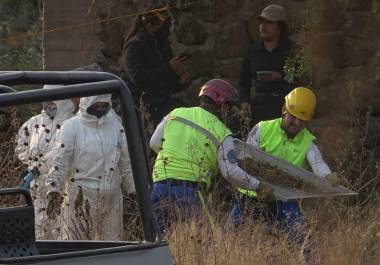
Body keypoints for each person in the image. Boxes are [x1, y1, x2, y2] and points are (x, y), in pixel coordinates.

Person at [230, 87, 340, 262]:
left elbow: (318, 165)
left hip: (283, 199)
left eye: (302, 121)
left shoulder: (309, 143)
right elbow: (245, 157)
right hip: (251, 195)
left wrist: (327, 177)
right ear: (284, 110)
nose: (296, 123)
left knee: (304, 242)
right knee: (228, 239)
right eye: (293, 116)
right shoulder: (262, 128)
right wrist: (257, 186)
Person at [149, 79, 272, 232]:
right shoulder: (222, 132)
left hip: (159, 186)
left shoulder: (175, 113)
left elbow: (153, 143)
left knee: (158, 243)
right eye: (229, 107)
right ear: (222, 105)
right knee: (207, 244)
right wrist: (258, 186)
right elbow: (230, 171)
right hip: (190, 191)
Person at [45, 94, 135, 241]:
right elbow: (60, 161)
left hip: (112, 198)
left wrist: (133, 190)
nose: (100, 110)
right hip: (80, 197)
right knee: (76, 246)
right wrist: (54, 190)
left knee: (113, 247)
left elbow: (125, 162)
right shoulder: (71, 126)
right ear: (87, 103)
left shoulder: (115, 125)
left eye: (104, 106)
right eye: (96, 106)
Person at [15, 85, 77, 240]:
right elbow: (20, 143)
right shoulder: (35, 122)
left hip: (60, 185)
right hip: (35, 184)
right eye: (46, 102)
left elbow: (61, 152)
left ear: (61, 101)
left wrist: (38, 167)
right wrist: (30, 161)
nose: (49, 106)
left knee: (59, 226)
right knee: (38, 226)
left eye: (52, 102)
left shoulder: (70, 123)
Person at [121, 10, 191, 128]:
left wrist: (181, 81)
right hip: (144, 108)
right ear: (149, 25)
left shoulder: (158, 44)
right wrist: (169, 68)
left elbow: (163, 83)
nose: (166, 31)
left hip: (163, 103)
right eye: (162, 26)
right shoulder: (134, 46)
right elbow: (139, 78)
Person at [238, 4, 293, 125]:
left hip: (284, 105)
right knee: (234, 124)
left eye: (269, 22)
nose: (263, 26)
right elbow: (243, 82)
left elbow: (301, 81)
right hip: (259, 104)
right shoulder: (252, 51)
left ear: (279, 27)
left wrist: (281, 77)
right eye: (261, 22)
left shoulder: (291, 51)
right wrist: (244, 101)